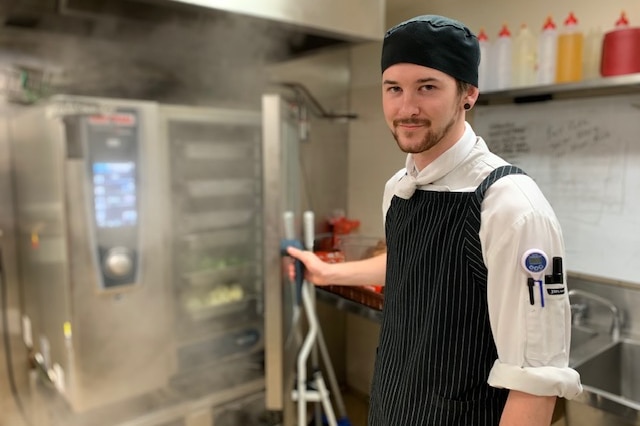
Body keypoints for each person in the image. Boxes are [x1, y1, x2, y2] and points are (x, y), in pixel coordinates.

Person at [287, 14, 582, 426]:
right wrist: (326, 272)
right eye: (394, 88)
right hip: (394, 407)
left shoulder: (511, 207)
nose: (406, 107)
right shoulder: (400, 187)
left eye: (427, 87)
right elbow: (415, 263)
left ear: (468, 94)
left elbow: (536, 382)